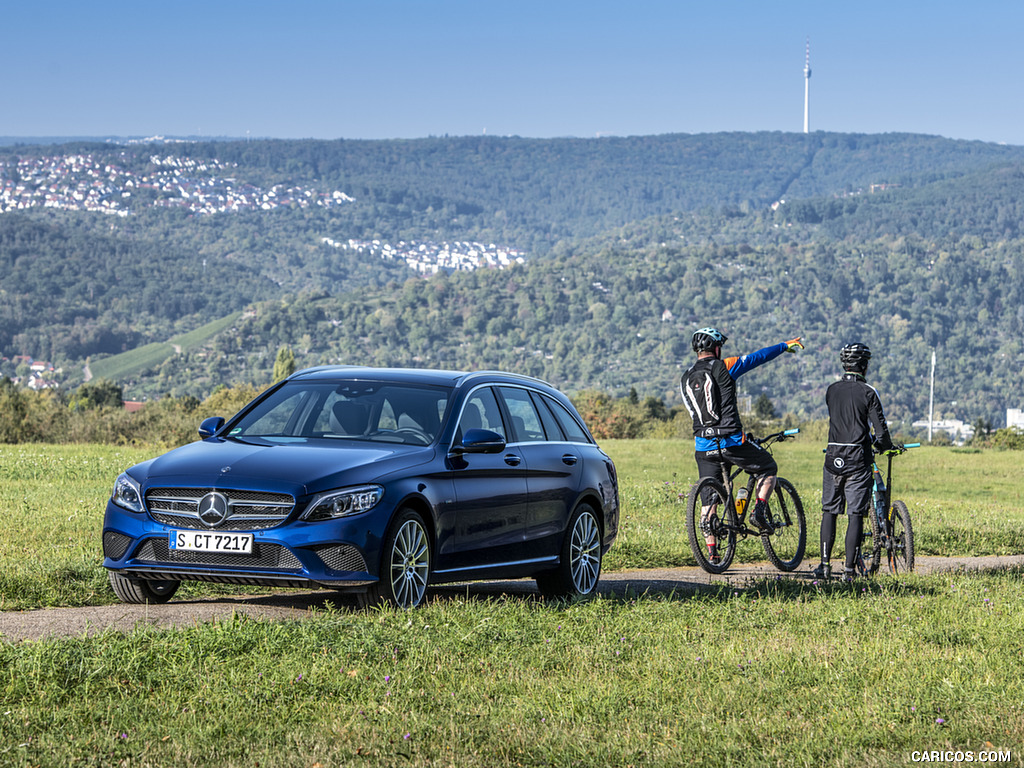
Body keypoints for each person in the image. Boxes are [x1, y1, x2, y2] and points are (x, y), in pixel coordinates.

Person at [680, 327, 804, 564]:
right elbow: (757, 357)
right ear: (716, 348)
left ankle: (713, 553)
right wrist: (784, 345)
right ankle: (759, 511)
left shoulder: (686, 377)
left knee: (709, 498)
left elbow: (692, 411)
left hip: (703, 445)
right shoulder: (725, 365)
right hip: (731, 440)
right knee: (768, 467)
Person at [814, 342, 897, 581]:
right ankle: (849, 571)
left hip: (833, 456)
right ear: (865, 365)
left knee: (829, 511)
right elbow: (880, 432)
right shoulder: (869, 392)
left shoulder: (831, 390)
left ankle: (824, 565)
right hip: (858, 459)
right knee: (855, 514)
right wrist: (883, 446)